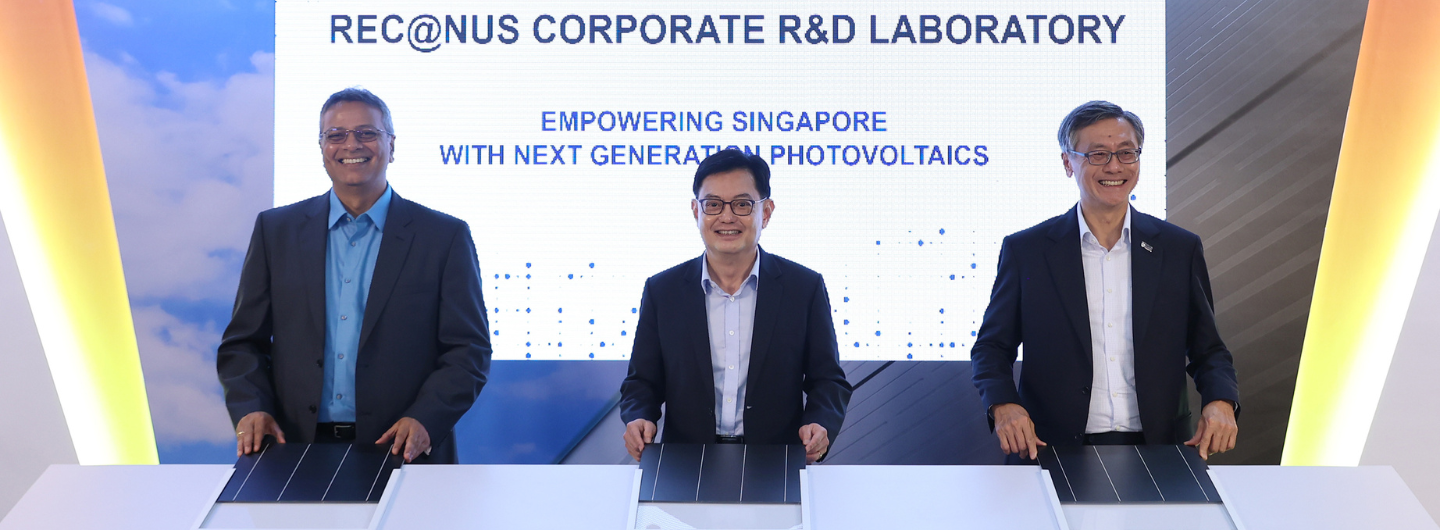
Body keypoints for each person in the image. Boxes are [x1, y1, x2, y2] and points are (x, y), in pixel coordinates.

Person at [217, 88, 491, 464]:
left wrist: (426, 418)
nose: (351, 144)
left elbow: (468, 351)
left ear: (391, 145)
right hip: (291, 449)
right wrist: (251, 407)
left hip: (404, 452)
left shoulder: (443, 237)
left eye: (367, 133)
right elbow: (242, 344)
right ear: (322, 147)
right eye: (336, 135)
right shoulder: (275, 231)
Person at [971, 101, 1240, 461]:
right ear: (1068, 163)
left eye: (1126, 153)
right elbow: (991, 348)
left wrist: (1221, 400)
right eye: (1097, 154)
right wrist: (1003, 405)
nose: (1114, 166)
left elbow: (1209, 350)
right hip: (1050, 448)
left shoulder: (1178, 248)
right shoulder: (1028, 250)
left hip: (1161, 448)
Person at [619, 149, 852, 464]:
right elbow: (642, 382)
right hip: (685, 462)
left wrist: (820, 424)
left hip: (776, 460)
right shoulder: (663, 291)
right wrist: (639, 416)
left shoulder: (803, 288)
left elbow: (828, 380)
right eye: (713, 204)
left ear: (766, 212)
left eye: (742, 204)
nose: (726, 217)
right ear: (695, 211)